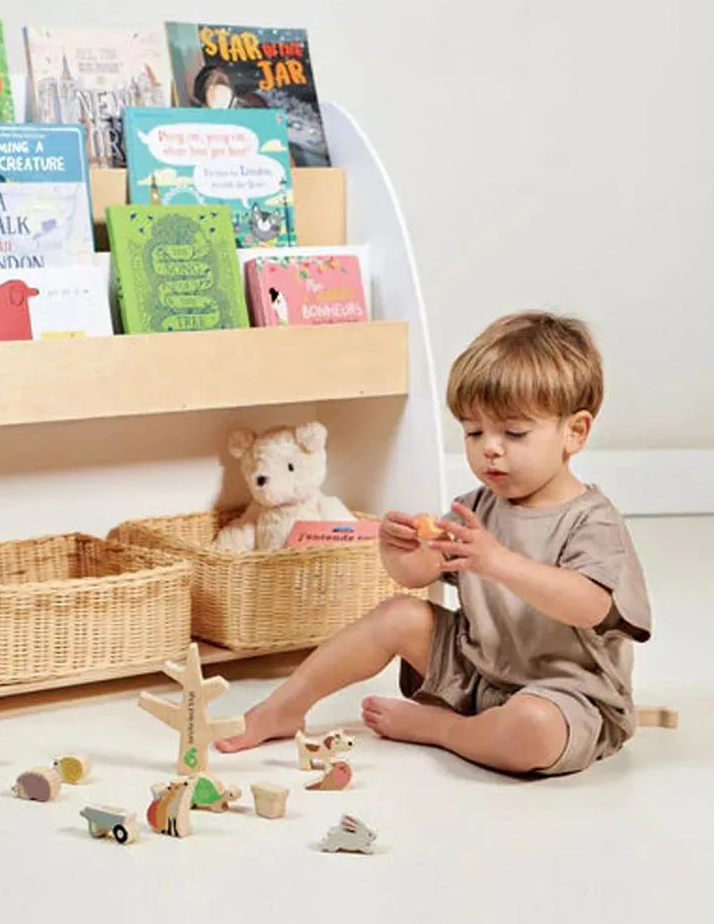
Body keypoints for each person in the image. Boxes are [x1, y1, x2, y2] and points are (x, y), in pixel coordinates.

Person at [216, 311, 652, 776]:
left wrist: (499, 562)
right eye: (473, 431)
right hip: (479, 671)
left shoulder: (591, 520)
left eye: (514, 432)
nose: (490, 448)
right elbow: (419, 577)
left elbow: (588, 606)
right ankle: (284, 707)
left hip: (564, 695)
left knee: (534, 730)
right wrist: (400, 554)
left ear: (575, 432)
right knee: (398, 615)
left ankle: (442, 729)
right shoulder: (477, 507)